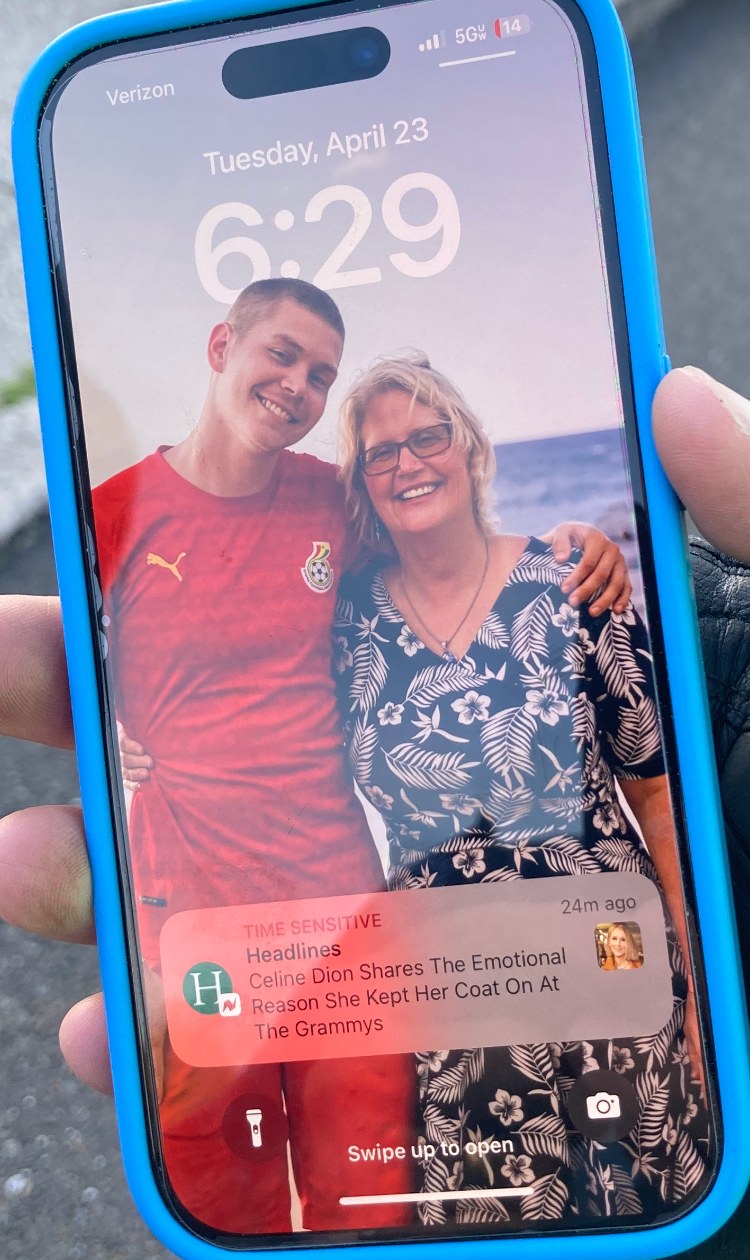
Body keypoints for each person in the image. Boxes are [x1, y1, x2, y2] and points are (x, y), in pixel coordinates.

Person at [85, 276, 628, 1234]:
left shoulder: (333, 497)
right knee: (209, 1160)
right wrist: (114, 734)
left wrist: (579, 544)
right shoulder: (113, 514)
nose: (298, 384)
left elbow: (438, 547)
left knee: (370, 1187)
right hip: (194, 906)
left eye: (320, 372)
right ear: (222, 347)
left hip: (347, 905)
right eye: (281, 354)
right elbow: (84, 670)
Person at [332, 352, 708, 1224]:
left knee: (649, 1207)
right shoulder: (345, 624)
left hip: (611, 959)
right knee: (491, 1222)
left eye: (428, 435)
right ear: (361, 484)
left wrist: (695, 974)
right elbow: (252, 712)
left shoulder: (574, 581)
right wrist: (142, 748)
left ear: (471, 449)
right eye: (379, 454)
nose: (408, 462)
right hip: (453, 994)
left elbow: (654, 794)